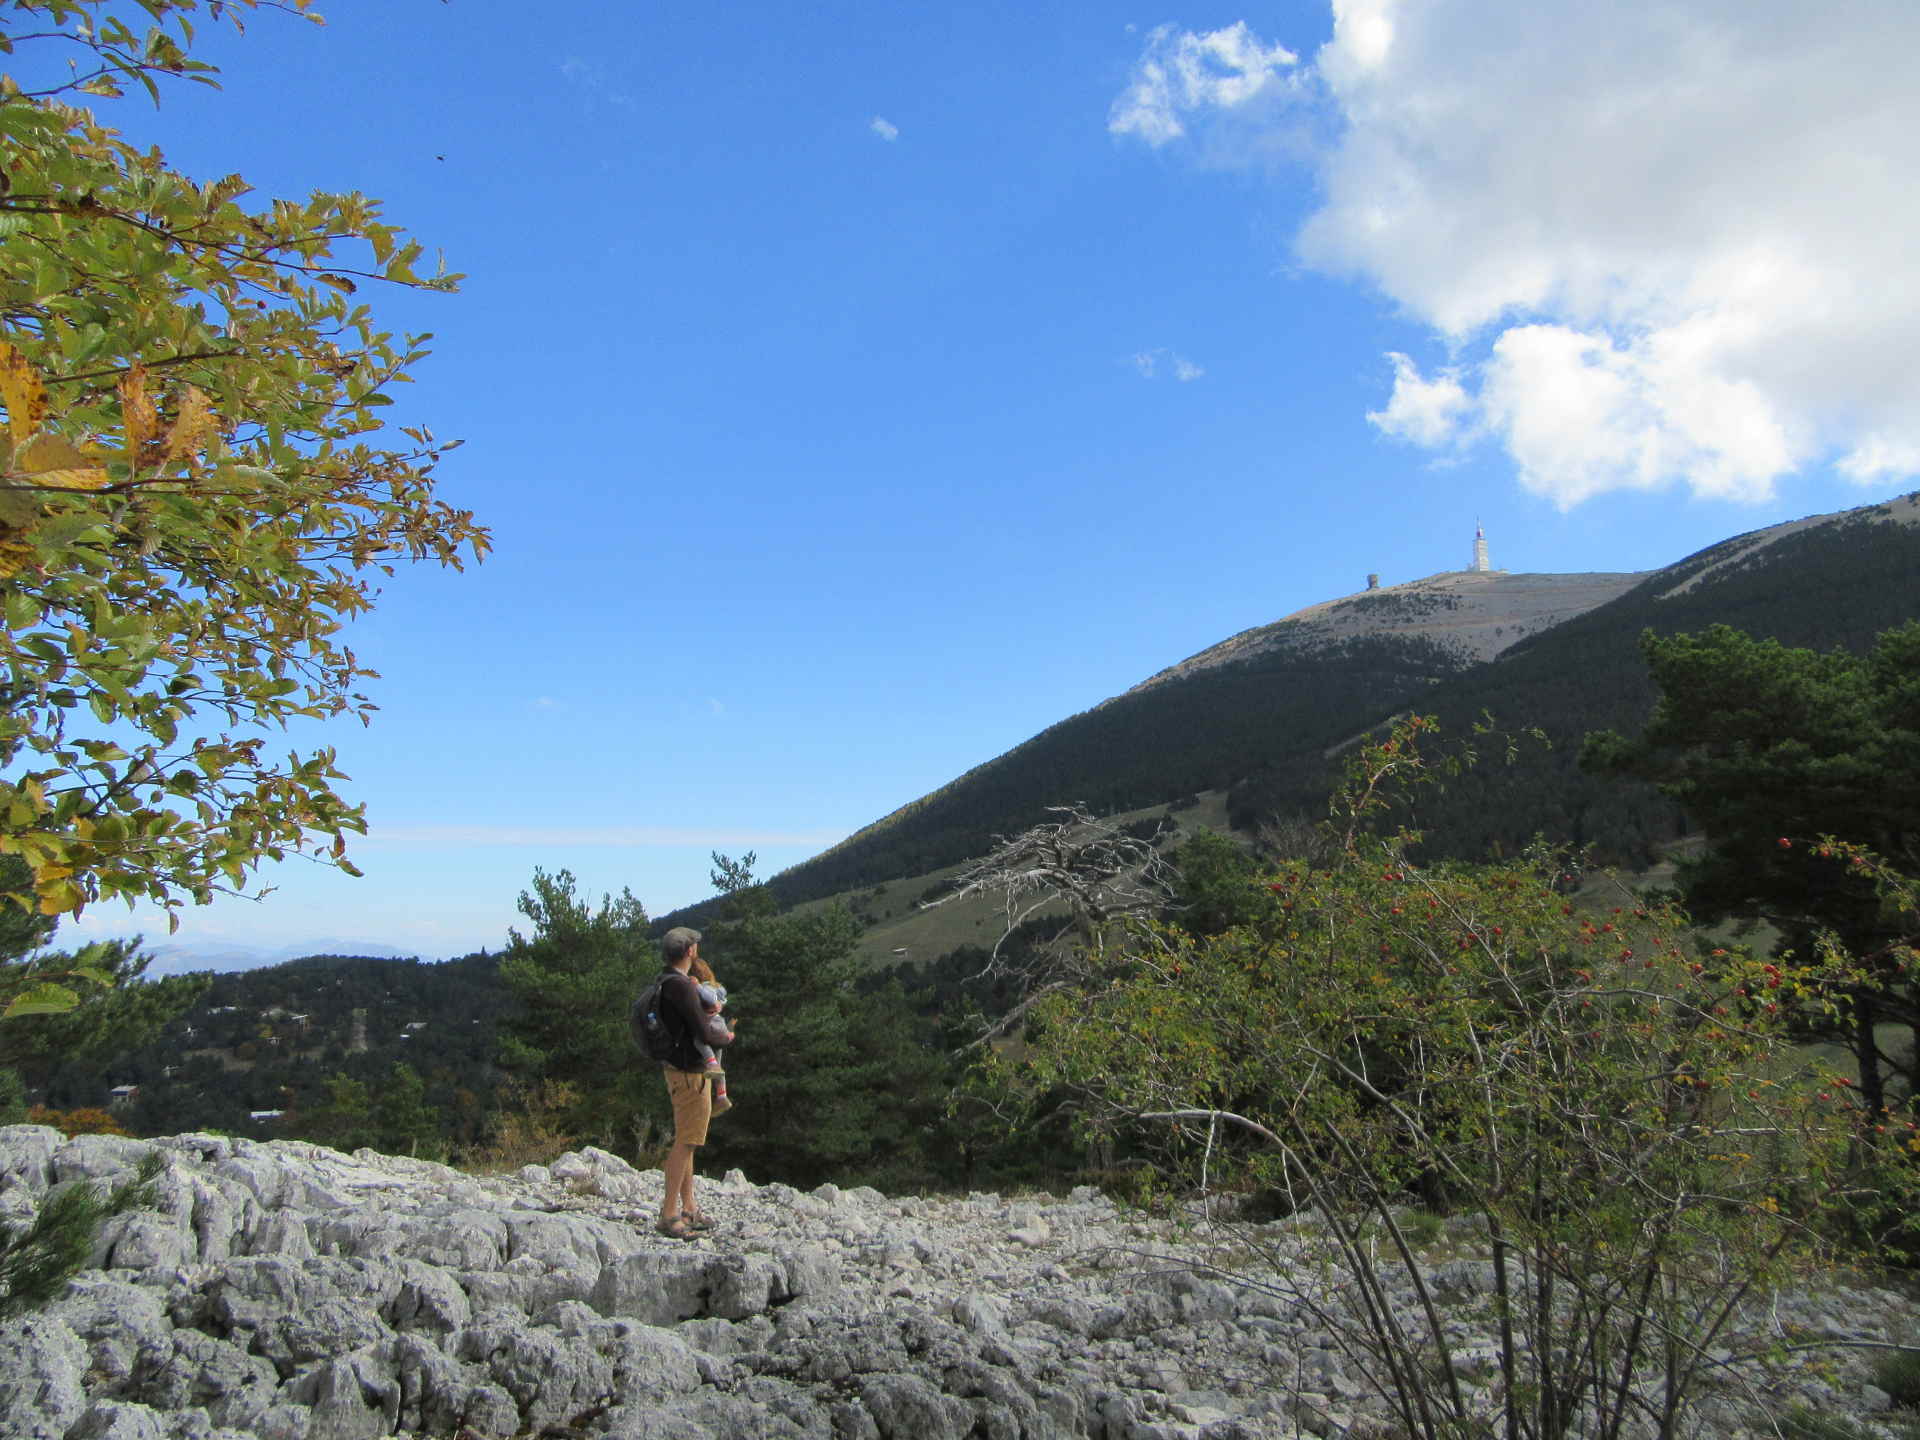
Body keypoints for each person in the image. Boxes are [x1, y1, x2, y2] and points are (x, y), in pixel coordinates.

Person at [655, 925, 716, 1239]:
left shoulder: (665, 982)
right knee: (686, 1143)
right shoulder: (682, 986)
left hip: (676, 1070)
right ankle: (669, 1213)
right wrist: (724, 1033)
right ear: (690, 951)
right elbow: (704, 1032)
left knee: (688, 1139)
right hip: (690, 1074)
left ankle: (689, 1206)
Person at [687, 954, 734, 1113]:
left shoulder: (706, 986)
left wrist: (696, 986)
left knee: (698, 1042)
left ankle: (711, 1063)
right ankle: (722, 1096)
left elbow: (710, 998)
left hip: (711, 1025)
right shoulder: (718, 986)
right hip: (720, 1027)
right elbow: (721, 1000)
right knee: (719, 1068)